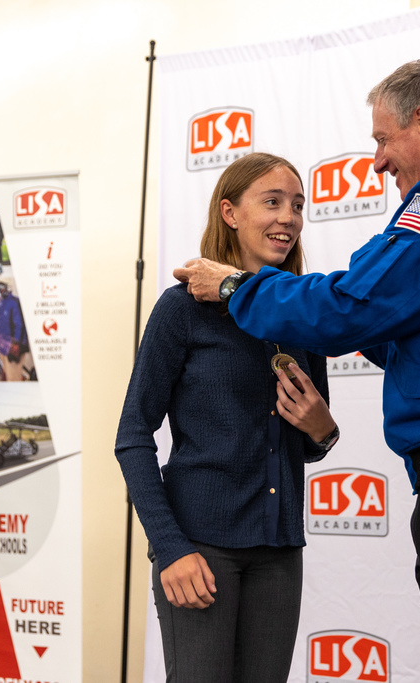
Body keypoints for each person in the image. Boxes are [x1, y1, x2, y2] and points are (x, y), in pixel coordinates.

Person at [174, 60, 420, 683]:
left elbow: (355, 307)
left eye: (384, 140)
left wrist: (237, 288)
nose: (378, 160)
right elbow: (417, 330)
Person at [116, 152, 339, 683]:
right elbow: (132, 436)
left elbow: (314, 436)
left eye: (297, 206)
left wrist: (322, 431)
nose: (288, 216)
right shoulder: (182, 309)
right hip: (200, 551)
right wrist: (171, 549)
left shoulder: (302, 313)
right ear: (230, 213)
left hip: (280, 552)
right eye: (272, 202)